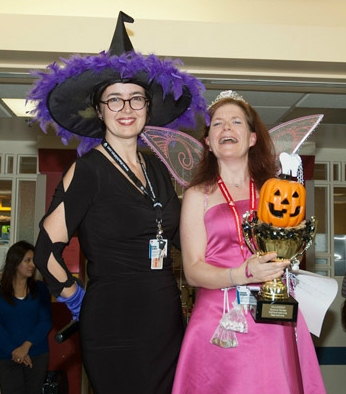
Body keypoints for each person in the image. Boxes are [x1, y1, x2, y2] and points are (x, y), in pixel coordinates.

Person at [28, 12, 207, 394]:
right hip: (112, 323)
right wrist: (74, 296)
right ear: (100, 109)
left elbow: (182, 240)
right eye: (115, 100)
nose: (126, 108)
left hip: (164, 318)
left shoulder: (159, 170)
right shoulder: (88, 170)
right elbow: (45, 252)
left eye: (135, 98)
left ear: (147, 106)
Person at [172, 90, 326, 394]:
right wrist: (243, 273)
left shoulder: (278, 190)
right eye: (217, 124)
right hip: (218, 321)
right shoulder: (196, 195)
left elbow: (289, 249)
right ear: (207, 141)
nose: (226, 128)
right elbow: (192, 271)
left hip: (272, 315)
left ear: (253, 138)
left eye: (236, 122)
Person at [0, 240, 52, 394]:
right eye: (27, 261)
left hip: (37, 354)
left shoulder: (41, 289)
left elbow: (45, 321)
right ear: (15, 263)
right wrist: (14, 351)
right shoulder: (1, 290)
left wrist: (25, 347)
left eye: (33, 261)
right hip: (6, 355)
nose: (32, 265)